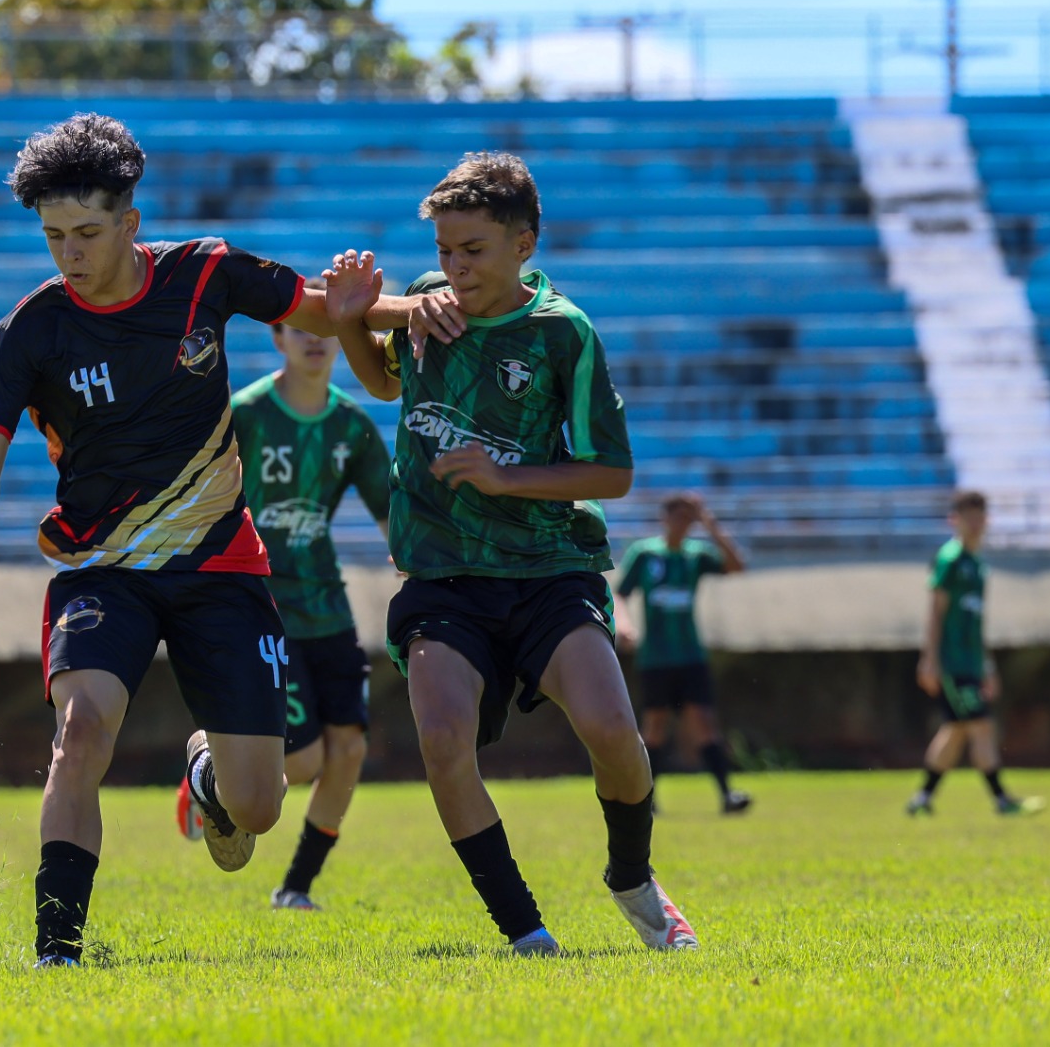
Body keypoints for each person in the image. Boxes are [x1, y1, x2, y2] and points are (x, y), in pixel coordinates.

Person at [0, 113, 460, 969]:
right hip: (103, 572)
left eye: (89, 232)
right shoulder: (31, 329)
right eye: (55, 235)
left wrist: (411, 310)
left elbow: (331, 308)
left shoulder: (205, 272)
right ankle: (57, 952)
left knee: (259, 809)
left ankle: (211, 777)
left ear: (131, 223)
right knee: (82, 731)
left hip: (220, 568)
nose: (71, 252)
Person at [324, 152, 698, 954]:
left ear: (524, 243)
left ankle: (631, 874)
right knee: (443, 742)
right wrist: (357, 318)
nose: (455, 270)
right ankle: (524, 929)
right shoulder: (428, 305)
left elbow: (613, 473)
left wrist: (505, 477)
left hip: (547, 572)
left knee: (611, 732)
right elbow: (384, 386)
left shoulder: (565, 333)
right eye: (445, 252)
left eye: (475, 252)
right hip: (441, 577)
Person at [175, 278, 392, 912]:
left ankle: (294, 888)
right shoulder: (244, 413)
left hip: (327, 606)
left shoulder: (351, 426)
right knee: (302, 761)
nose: (316, 340)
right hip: (262, 609)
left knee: (349, 750)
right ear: (278, 336)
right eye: (302, 328)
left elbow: (392, 514)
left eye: (326, 330)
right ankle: (213, 767)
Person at [906, 491, 1042, 817]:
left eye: (980, 516)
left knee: (955, 731)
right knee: (980, 725)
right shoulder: (950, 560)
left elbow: (976, 623)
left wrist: (987, 666)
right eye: (968, 516)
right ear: (955, 520)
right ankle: (1001, 799)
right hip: (951, 663)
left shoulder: (979, 566)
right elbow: (936, 613)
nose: (975, 523)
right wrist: (929, 659)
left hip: (971, 662)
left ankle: (922, 799)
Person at [614, 494, 752, 814]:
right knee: (655, 724)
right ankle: (645, 797)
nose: (683, 524)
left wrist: (711, 524)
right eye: (678, 517)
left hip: (691, 654)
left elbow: (736, 566)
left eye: (688, 518)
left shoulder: (696, 556)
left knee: (703, 721)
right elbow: (620, 594)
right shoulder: (646, 554)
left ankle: (726, 794)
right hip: (656, 657)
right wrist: (624, 624)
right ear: (664, 518)